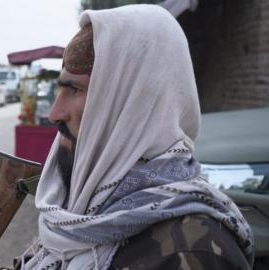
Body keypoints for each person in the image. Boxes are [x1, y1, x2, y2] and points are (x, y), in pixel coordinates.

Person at [14, 5, 254, 270]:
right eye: (61, 88)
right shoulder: (76, 209)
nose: (54, 113)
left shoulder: (191, 249)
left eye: (74, 90)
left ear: (134, 104)